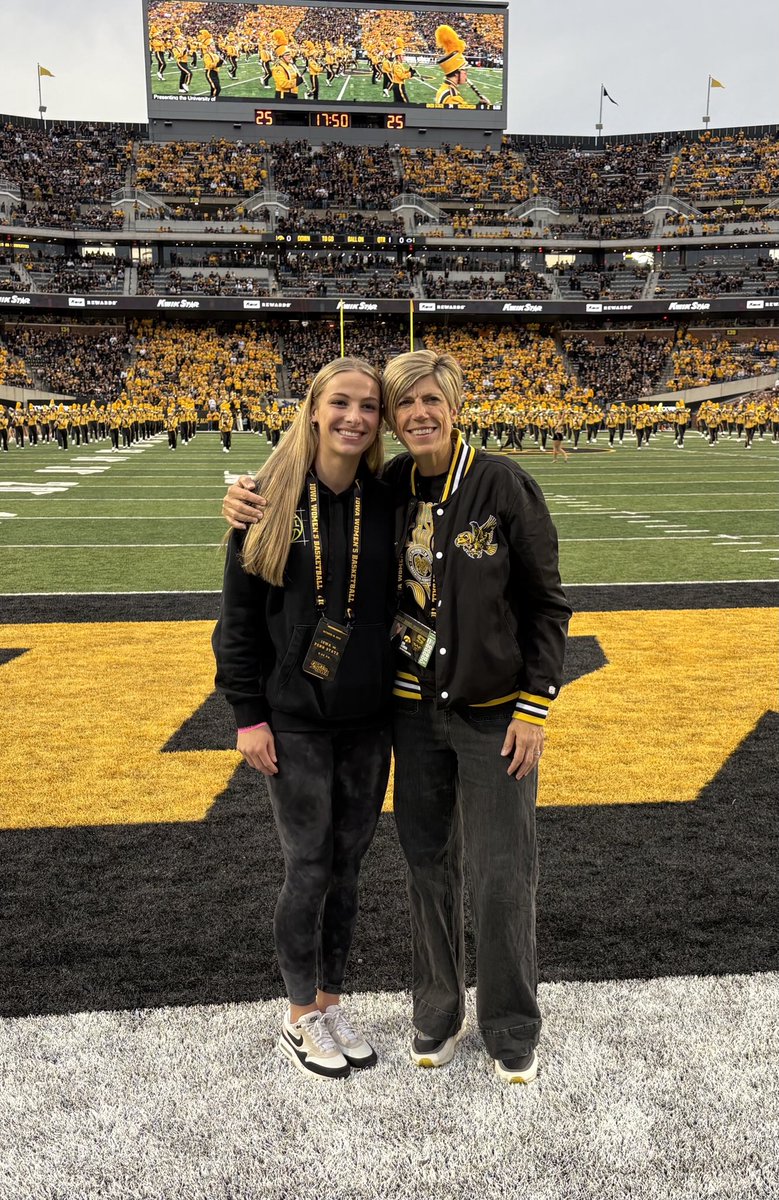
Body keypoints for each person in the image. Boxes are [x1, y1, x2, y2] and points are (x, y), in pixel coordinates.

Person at [222, 349, 570, 1085]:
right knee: (423, 869)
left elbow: (546, 603)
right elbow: (258, 586)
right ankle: (433, 1011)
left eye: (427, 400)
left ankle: (511, 1026)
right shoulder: (388, 487)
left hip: (486, 713)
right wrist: (244, 500)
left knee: (501, 875)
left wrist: (535, 705)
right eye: (402, 402)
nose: (415, 414)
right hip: (405, 713)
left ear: (454, 406)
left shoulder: (499, 483)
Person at [212, 357, 395, 1082]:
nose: (355, 417)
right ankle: (297, 1015)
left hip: (370, 720)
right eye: (341, 403)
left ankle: (330, 1000)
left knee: (348, 867)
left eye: (368, 407)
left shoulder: (390, 500)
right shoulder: (266, 500)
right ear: (314, 409)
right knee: (309, 865)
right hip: (293, 720)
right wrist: (247, 715)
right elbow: (237, 622)